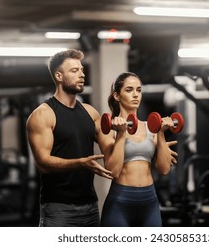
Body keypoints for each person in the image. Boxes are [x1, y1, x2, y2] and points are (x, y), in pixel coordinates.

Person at [26, 49, 113, 227]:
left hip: (90, 205)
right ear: (59, 76)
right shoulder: (43, 115)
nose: (81, 75)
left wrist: (151, 139)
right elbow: (43, 163)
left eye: (82, 70)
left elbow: (112, 149)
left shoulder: (91, 112)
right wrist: (80, 162)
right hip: (58, 208)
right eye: (74, 71)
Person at [98, 72, 177, 227]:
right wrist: (121, 133)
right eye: (129, 90)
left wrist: (161, 133)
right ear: (117, 96)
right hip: (120, 202)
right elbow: (113, 171)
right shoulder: (109, 129)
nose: (135, 95)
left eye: (139, 90)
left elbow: (164, 169)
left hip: (149, 201)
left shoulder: (151, 127)